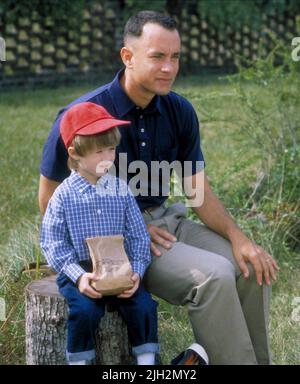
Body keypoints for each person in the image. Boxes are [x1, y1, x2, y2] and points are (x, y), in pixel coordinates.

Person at [39, 11, 279, 364]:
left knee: (250, 269)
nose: (169, 67)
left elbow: (198, 193)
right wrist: (123, 231)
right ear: (127, 56)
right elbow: (49, 200)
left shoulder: (179, 110)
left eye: (175, 57)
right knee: (214, 277)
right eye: (157, 56)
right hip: (119, 242)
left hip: (169, 223)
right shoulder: (83, 116)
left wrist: (239, 238)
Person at [40, 102, 160, 365]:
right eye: (98, 151)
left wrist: (137, 270)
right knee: (84, 311)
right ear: (75, 154)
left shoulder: (120, 189)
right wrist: (79, 276)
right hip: (82, 269)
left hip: (119, 266)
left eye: (112, 149)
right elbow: (52, 242)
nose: (107, 157)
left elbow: (139, 235)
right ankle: (79, 361)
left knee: (143, 306)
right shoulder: (63, 195)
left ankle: (147, 361)